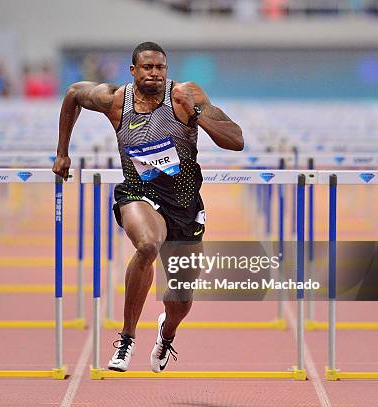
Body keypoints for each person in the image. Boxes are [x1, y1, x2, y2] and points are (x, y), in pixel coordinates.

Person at [53, 42, 243, 373]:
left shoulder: (186, 95)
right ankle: (126, 338)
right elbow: (72, 94)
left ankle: (166, 335)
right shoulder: (115, 100)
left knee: (180, 302)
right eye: (148, 68)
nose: (155, 73)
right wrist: (62, 152)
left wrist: (195, 113)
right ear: (133, 71)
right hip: (139, 193)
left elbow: (236, 140)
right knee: (147, 245)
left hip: (184, 203)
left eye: (160, 68)